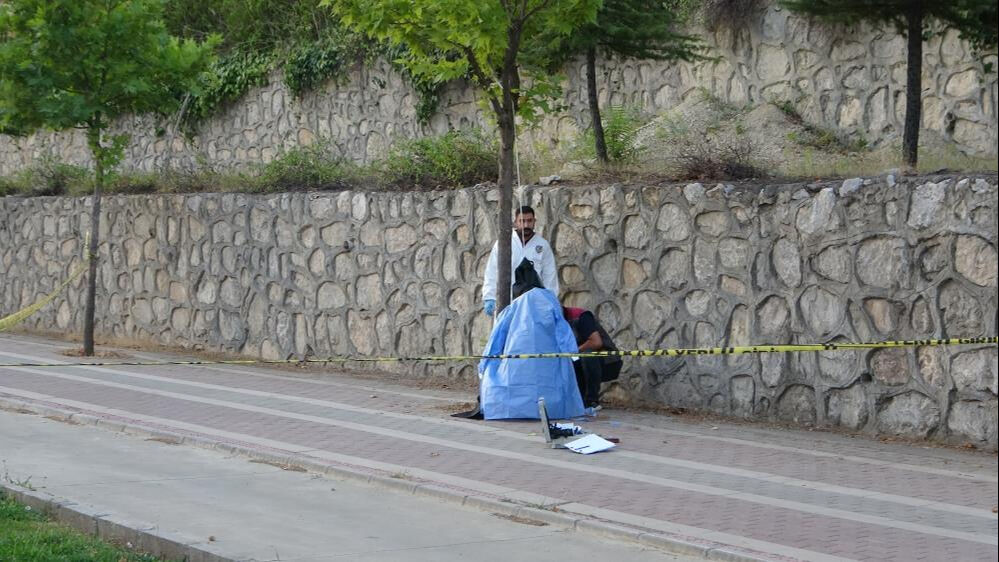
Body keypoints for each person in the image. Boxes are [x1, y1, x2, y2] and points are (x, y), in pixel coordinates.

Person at [477, 286, 585, 420]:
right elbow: (563, 331)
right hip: (548, 361)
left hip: (516, 362)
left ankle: (512, 409)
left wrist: (484, 362)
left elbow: (496, 338)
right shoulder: (549, 303)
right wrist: (571, 353)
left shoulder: (512, 309)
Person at [482, 206, 558, 317]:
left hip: (534, 305)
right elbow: (492, 271)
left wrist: (550, 301)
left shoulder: (542, 245)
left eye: (529, 221)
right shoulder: (504, 243)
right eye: (522, 221)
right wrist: (490, 297)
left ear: (534, 221)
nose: (526, 225)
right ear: (515, 222)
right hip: (507, 303)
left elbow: (550, 276)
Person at [563, 306, 622, 410]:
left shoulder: (580, 316)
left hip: (607, 361)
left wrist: (572, 352)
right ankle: (578, 400)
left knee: (587, 354)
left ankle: (591, 400)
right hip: (579, 360)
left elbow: (596, 342)